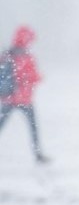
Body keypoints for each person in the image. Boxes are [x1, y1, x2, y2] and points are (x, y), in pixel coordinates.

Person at [0, 25, 50, 163]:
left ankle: (38, 154)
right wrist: (37, 78)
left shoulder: (7, 54)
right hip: (23, 99)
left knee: (1, 124)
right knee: (33, 127)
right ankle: (38, 154)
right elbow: (31, 76)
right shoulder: (26, 57)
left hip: (8, 98)